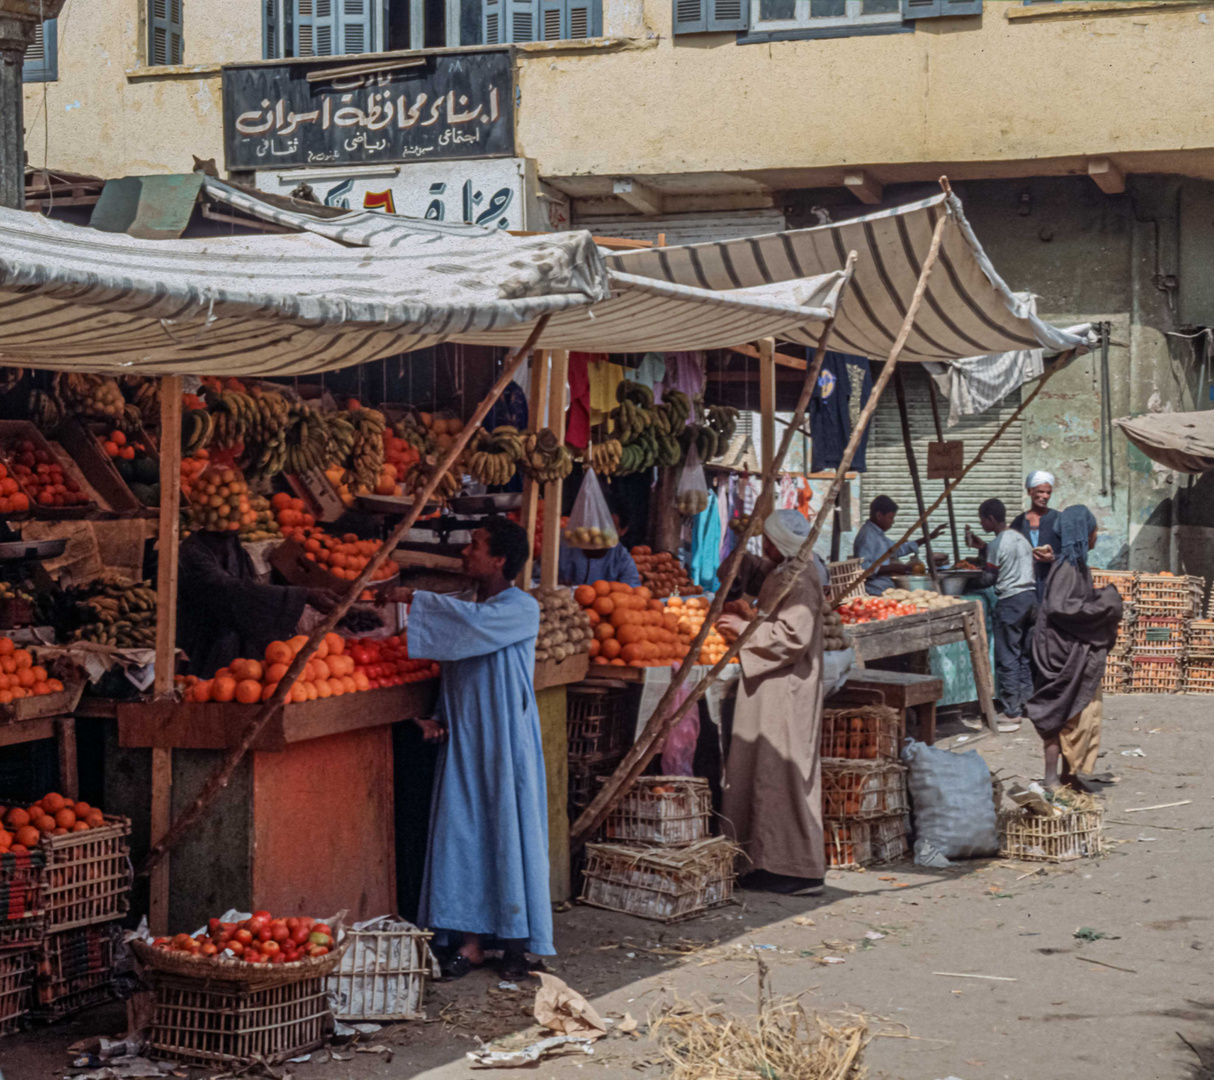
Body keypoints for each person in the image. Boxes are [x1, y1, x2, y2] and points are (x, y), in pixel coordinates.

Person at [397, 518, 553, 980]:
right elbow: (458, 671)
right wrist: (440, 717)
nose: (466, 553)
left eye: (475, 546)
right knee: (465, 834)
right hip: (466, 738)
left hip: (505, 741)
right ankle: (471, 943)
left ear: (500, 559)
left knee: (508, 830)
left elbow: (476, 627)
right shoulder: (466, 611)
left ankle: (517, 941)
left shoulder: (520, 608)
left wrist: (411, 597)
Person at [718, 509, 827, 896]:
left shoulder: (801, 578)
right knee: (762, 772)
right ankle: (764, 861)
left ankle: (797, 868)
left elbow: (792, 636)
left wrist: (743, 631)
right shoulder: (783, 569)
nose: (763, 547)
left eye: (767, 541)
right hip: (770, 686)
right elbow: (750, 574)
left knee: (782, 774)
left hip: (786, 687)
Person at [176, 496, 336, 678]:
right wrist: (303, 596)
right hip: (201, 652)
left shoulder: (234, 548)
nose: (234, 519)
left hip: (231, 660)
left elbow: (246, 593)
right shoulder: (192, 553)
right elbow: (231, 592)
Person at [1024, 506, 1122, 792]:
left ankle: (1070, 774)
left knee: (1075, 713)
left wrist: (1097, 599)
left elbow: (1076, 600)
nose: (1096, 536)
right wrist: (1105, 603)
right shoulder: (1066, 567)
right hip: (1057, 651)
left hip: (1068, 646)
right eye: (1094, 531)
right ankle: (1051, 777)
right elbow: (1060, 607)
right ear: (1082, 533)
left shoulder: (1076, 564)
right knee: (1058, 713)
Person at [970, 498, 1037, 731]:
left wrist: (970, 578)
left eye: (982, 519)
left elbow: (990, 578)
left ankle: (1011, 711)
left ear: (990, 519)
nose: (981, 523)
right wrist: (982, 549)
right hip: (1031, 598)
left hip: (1011, 602)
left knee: (1007, 656)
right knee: (1024, 656)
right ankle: (1028, 703)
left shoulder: (999, 544)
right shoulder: (1021, 539)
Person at [853, 495, 943, 596]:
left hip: (885, 589)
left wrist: (926, 538)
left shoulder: (878, 535)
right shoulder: (867, 536)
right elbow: (864, 568)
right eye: (890, 518)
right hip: (873, 591)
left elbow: (898, 549)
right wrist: (892, 568)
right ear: (879, 515)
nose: (893, 522)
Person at [1010, 471, 1062, 601]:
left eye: (1048, 493)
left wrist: (1053, 558)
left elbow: (1071, 553)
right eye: (1040, 492)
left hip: (1052, 584)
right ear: (1030, 492)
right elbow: (1008, 550)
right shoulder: (1019, 522)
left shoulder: (1059, 519)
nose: (1044, 496)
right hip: (1025, 587)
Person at [557, 509, 640, 587]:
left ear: (623, 530)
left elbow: (632, 591)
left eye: (609, 530)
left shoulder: (621, 558)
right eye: (598, 526)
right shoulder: (561, 543)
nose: (601, 534)